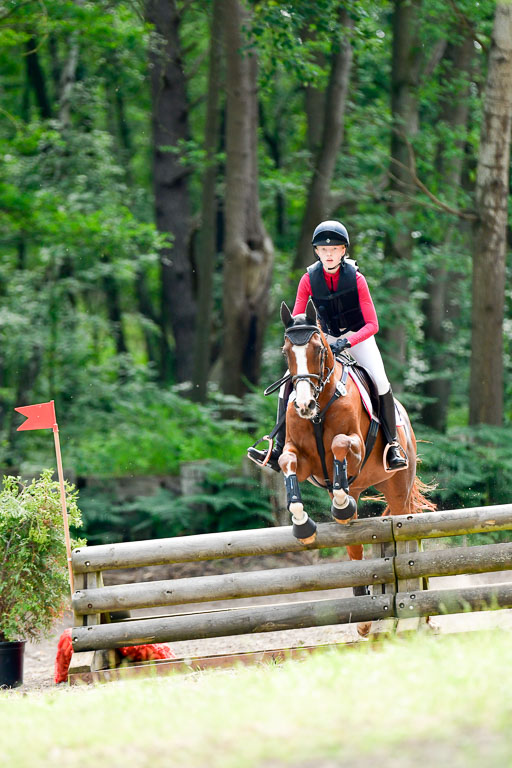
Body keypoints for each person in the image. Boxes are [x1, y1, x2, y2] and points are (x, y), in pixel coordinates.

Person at [247, 219, 407, 472]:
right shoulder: (308, 279)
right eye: (323, 249)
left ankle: (393, 446)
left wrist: (347, 341)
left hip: (359, 336)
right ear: (317, 252)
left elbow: (372, 324)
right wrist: (310, 341)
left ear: (343, 251)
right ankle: (277, 448)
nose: (328, 254)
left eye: (334, 249)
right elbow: (298, 321)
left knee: (380, 381)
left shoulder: (357, 279)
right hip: (325, 338)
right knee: (288, 382)